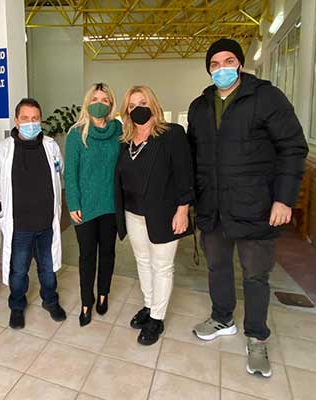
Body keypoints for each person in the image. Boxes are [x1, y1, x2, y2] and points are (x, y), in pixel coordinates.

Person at [187, 38, 308, 377]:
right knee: (217, 267)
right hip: (213, 205)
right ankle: (222, 318)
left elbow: (293, 148)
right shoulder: (200, 106)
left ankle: (256, 337)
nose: (221, 69)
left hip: (256, 204)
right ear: (209, 69)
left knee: (255, 274)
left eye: (228, 61)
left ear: (239, 64)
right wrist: (191, 199)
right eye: (214, 64)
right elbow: (193, 155)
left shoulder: (266, 97)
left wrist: (284, 199)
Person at [114, 85, 194, 345]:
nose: (138, 109)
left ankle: (157, 318)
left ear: (153, 104)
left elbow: (185, 174)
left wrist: (183, 209)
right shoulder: (125, 141)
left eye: (143, 102)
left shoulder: (172, 134)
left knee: (162, 266)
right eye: (132, 105)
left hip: (164, 213)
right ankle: (149, 306)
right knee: (143, 261)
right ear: (126, 111)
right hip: (133, 213)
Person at [0, 98, 67, 329]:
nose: (31, 123)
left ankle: (50, 301)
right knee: (19, 271)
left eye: (35, 118)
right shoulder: (2, 150)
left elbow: (60, 172)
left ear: (40, 120)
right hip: (19, 225)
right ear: (16, 120)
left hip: (47, 224)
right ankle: (17, 307)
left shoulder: (51, 146)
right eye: (25, 118)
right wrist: (12, 201)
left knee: (48, 270)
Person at [64, 82, 121, 327]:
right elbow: (70, 173)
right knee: (87, 255)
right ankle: (86, 301)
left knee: (107, 253)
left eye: (105, 100)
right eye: (95, 99)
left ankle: (103, 294)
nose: (99, 103)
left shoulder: (119, 131)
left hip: (111, 205)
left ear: (111, 104)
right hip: (85, 207)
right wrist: (73, 203)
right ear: (88, 103)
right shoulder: (76, 134)